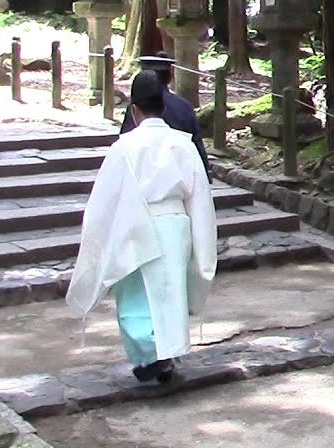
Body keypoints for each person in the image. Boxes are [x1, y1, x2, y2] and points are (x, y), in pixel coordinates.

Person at [66, 71, 219, 384]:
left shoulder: (124, 147)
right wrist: (200, 238)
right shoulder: (182, 145)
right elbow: (200, 197)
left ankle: (149, 356)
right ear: (163, 106)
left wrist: (99, 235)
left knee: (136, 295)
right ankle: (168, 353)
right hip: (175, 225)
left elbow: (105, 199)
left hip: (133, 223)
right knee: (170, 291)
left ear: (133, 110)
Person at [120, 53, 209, 174]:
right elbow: (197, 147)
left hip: (142, 175)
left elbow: (125, 144)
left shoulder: (138, 107)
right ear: (170, 77)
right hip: (181, 175)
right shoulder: (185, 107)